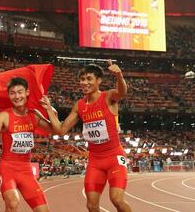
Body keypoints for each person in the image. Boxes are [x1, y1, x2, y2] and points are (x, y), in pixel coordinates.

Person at [41, 61, 132, 212]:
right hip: (95, 161)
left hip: (114, 157)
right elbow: (61, 130)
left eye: (89, 79)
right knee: (91, 205)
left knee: (116, 199)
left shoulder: (108, 97)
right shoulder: (80, 105)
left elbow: (122, 92)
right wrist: (50, 110)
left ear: (99, 81)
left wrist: (119, 75)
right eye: (82, 79)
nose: (84, 82)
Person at [0, 77, 55, 212]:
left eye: (20, 92)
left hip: (26, 170)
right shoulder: (4, 115)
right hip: (8, 168)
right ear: (8, 95)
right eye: (12, 93)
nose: (17, 96)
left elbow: (54, 129)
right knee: (12, 203)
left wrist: (50, 110)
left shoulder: (34, 115)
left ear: (27, 92)